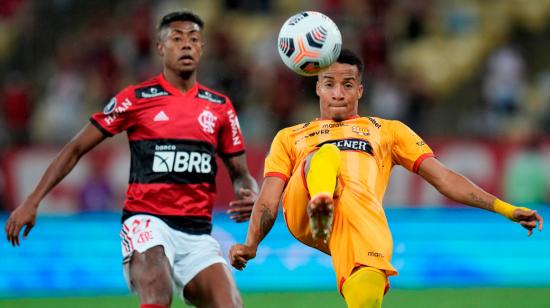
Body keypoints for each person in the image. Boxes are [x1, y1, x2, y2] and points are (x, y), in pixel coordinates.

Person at [229, 49, 543, 308]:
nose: (338, 93)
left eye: (348, 84)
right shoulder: (290, 136)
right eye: (329, 84)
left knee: (367, 290)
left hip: (357, 220)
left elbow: (444, 178)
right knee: (324, 155)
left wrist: (505, 209)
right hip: (304, 210)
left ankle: (331, 216)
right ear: (317, 88)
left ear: (360, 89)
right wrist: (251, 243)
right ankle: (321, 201)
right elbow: (270, 196)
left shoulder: (388, 131)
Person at [5, 10, 258, 308]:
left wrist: (249, 191)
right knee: (157, 291)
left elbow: (240, 172)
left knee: (230, 304)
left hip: (197, 232)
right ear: (160, 48)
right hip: (148, 220)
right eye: (177, 39)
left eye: (194, 39)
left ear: (202, 48)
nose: (186, 45)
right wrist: (33, 200)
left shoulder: (219, 107)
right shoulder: (136, 99)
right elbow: (75, 148)